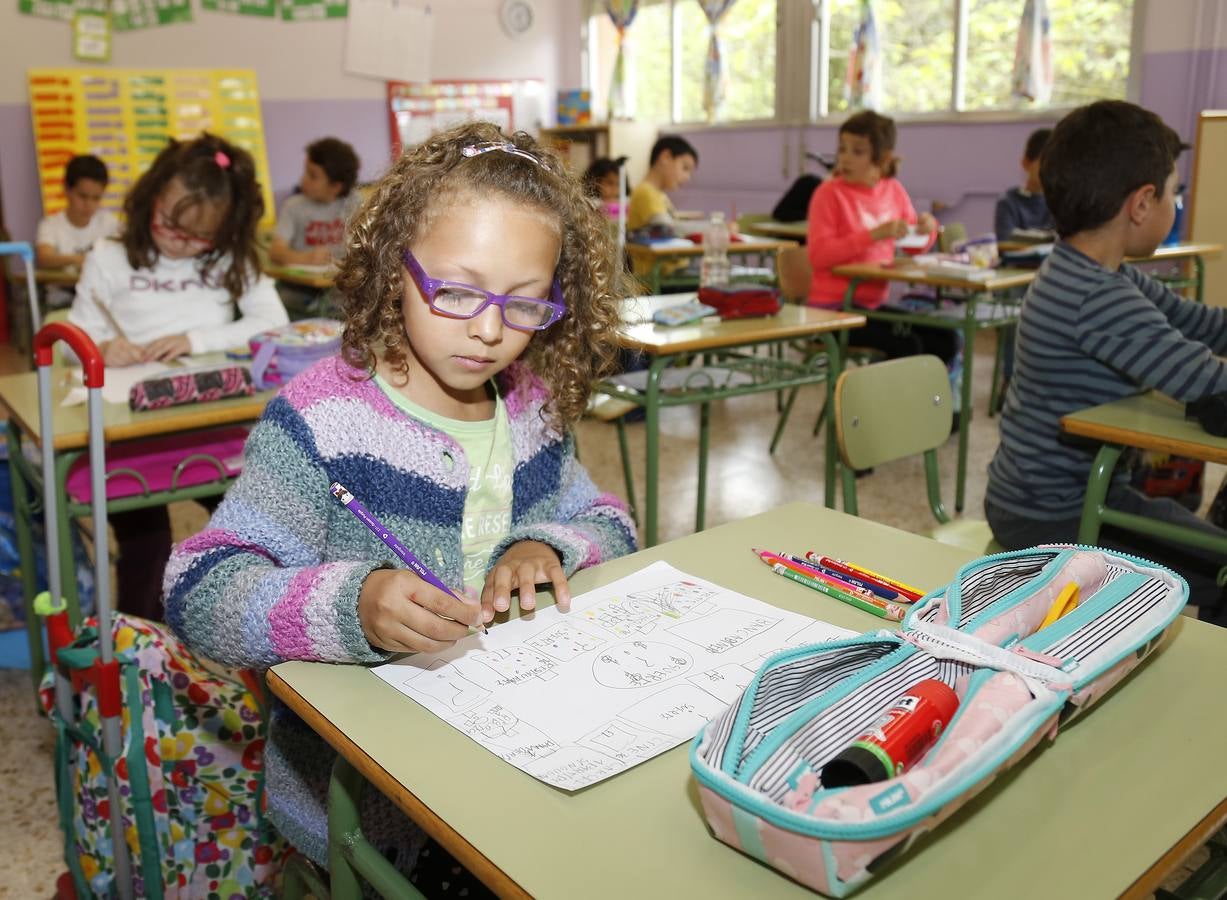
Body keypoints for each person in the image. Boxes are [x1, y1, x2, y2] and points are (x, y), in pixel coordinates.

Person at [162, 122, 638, 891]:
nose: (488, 331)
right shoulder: (322, 419)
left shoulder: (530, 409)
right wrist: (356, 605)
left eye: (524, 306)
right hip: (366, 803)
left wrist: (543, 546)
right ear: (391, 271)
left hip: (512, 766)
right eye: (455, 291)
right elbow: (201, 588)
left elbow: (610, 522)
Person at [985, 100, 1227, 623]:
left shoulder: (1094, 272)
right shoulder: (1095, 297)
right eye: (1175, 192)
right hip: (1053, 517)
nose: (1176, 204)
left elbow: (1204, 326)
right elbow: (1214, 389)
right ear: (1142, 203)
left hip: (1060, 495)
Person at [69, 133, 289, 621]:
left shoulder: (229, 258)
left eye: (197, 237)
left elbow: (272, 323)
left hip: (212, 426)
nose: (177, 241)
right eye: (169, 223)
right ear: (151, 197)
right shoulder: (108, 255)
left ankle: (252, 618)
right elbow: (75, 334)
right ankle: (140, 642)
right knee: (147, 544)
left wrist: (195, 338)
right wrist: (103, 347)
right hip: (130, 433)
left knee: (250, 524)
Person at [805, 111, 957, 366]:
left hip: (873, 304)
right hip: (832, 308)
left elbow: (912, 248)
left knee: (945, 338)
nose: (845, 158)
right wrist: (874, 235)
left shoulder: (893, 190)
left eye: (858, 151)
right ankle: (887, 405)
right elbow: (818, 256)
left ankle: (932, 404)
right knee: (906, 345)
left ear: (883, 157)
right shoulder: (828, 193)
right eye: (842, 149)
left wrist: (927, 229)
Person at [35, 154, 119, 307]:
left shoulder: (110, 223)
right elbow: (44, 258)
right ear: (66, 189)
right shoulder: (51, 225)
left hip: (102, 304)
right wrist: (79, 259)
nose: (89, 204)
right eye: (82, 196)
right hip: (62, 304)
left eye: (96, 198)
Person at [269, 136, 362, 267]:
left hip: (341, 282)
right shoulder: (293, 206)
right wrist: (305, 258)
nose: (303, 179)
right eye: (305, 172)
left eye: (313, 176)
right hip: (302, 284)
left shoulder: (355, 203)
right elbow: (275, 252)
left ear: (335, 187)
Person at [993, 127, 1053, 240]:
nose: (1050, 170)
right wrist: (1047, 239)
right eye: (1044, 163)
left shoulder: (1060, 203)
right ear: (1026, 163)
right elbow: (1005, 241)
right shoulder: (1008, 202)